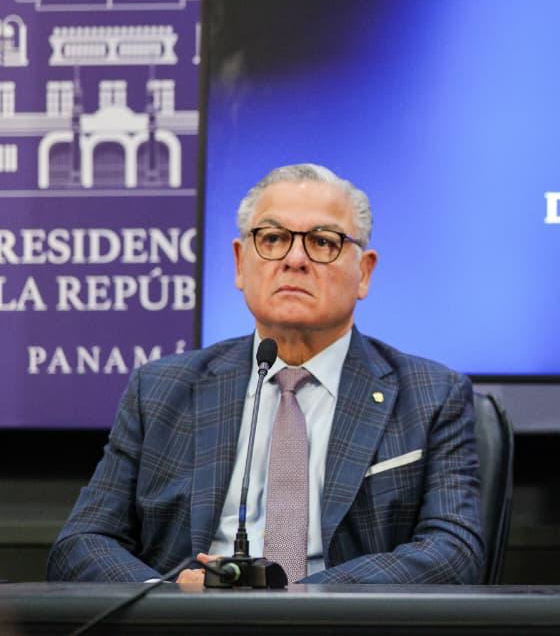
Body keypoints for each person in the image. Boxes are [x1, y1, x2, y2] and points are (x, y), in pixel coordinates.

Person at [48, 163, 484, 584]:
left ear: (364, 273)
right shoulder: (161, 391)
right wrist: (170, 598)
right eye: (273, 238)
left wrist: (302, 598)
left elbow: (454, 551)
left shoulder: (430, 396)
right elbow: (82, 543)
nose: (294, 259)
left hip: (340, 620)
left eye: (323, 242)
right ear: (241, 263)